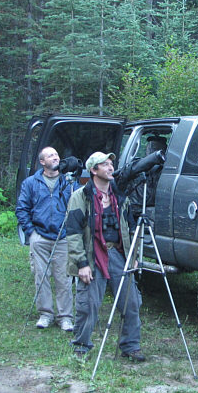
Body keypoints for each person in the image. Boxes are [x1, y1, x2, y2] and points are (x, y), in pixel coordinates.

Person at [66, 152, 145, 362]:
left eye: (111, 164)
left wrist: (133, 255)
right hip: (92, 255)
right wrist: (82, 263)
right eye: (105, 165)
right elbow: (73, 233)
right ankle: (81, 346)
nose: (111, 168)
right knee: (88, 304)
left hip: (118, 254)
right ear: (94, 170)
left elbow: (130, 230)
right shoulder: (80, 197)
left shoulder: (120, 198)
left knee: (131, 301)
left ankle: (130, 346)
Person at [15, 147, 77, 331]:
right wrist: (31, 232)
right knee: (40, 277)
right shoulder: (31, 183)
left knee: (64, 279)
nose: (56, 157)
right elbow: (22, 208)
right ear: (42, 162)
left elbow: (78, 205)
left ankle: (65, 317)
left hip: (63, 236)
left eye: (57, 154)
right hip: (40, 236)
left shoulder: (69, 181)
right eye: (51, 155)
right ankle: (45, 314)